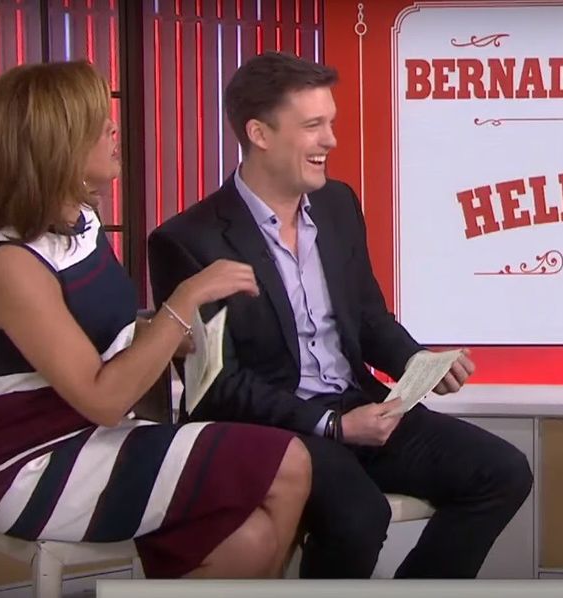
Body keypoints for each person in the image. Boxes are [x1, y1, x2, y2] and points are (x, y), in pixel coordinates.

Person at [146, 52, 533, 579]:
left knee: (502, 472)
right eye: (313, 126)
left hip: (358, 406)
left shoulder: (337, 205)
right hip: (272, 431)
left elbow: (368, 317)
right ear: (259, 134)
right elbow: (216, 387)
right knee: (359, 516)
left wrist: (417, 361)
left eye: (330, 123)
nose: (330, 140)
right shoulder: (188, 242)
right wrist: (332, 426)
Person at [0, 61, 312, 579]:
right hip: (40, 468)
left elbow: (106, 339)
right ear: (55, 146)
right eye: (97, 122)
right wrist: (186, 299)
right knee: (288, 462)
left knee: (252, 536)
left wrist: (169, 337)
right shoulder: (10, 263)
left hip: (106, 439)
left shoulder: (81, 224)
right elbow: (102, 399)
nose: (113, 129)